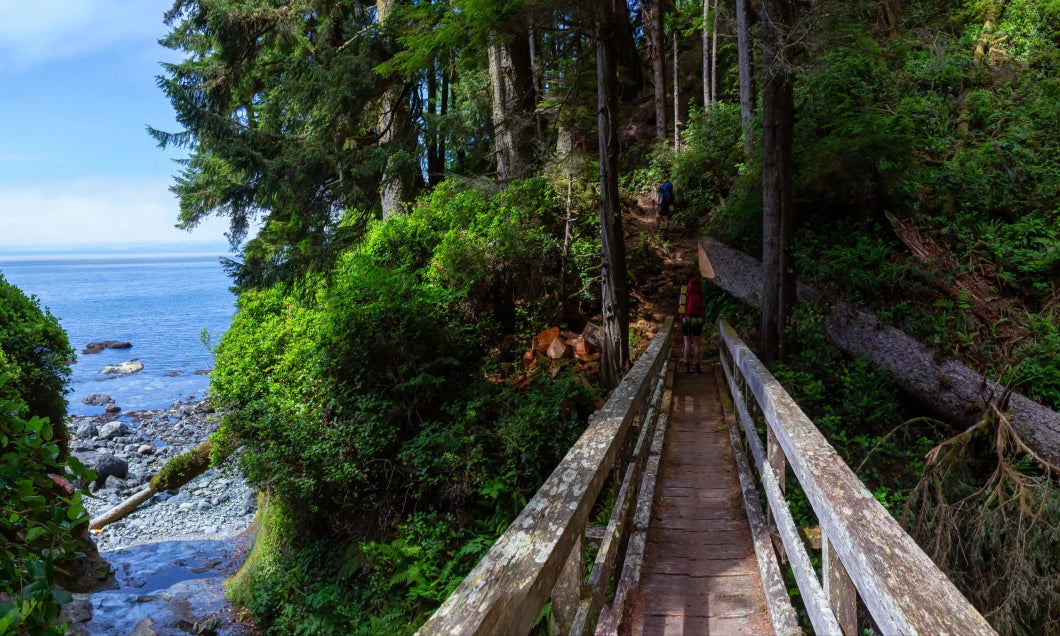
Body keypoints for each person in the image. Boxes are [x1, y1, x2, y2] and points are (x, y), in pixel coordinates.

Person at [677, 275, 705, 374]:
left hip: (687, 319)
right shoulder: (700, 293)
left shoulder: (685, 293)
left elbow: (681, 307)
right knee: (696, 344)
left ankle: (687, 367)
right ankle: (697, 367)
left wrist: (681, 317)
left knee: (687, 343)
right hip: (698, 319)